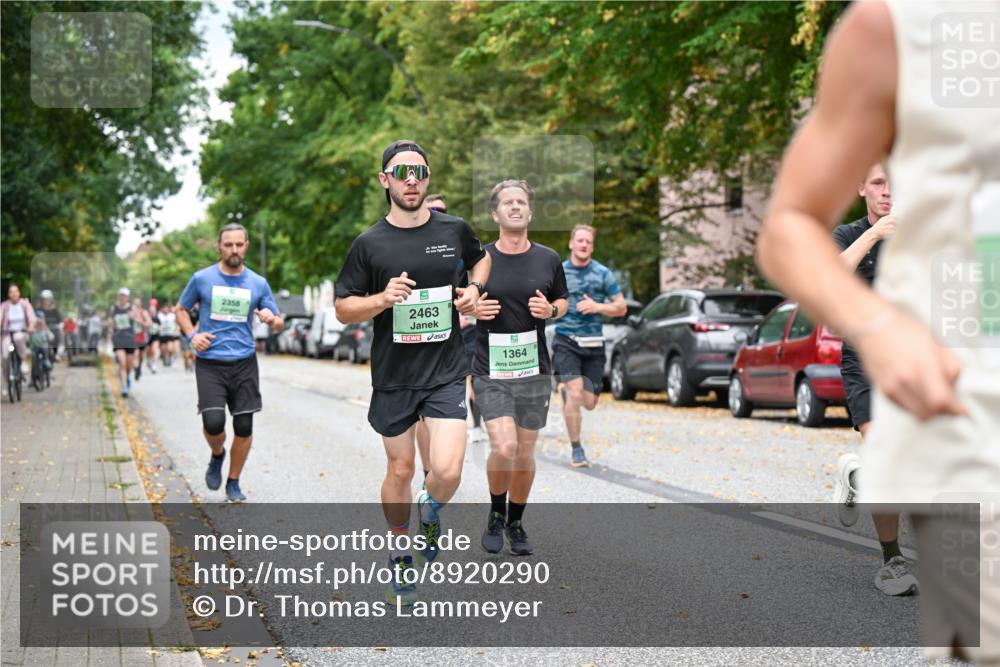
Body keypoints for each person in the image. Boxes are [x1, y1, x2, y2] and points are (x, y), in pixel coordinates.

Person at [757, 1, 998, 662]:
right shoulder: (889, 30)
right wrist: (879, 322)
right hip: (909, 367)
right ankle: (893, 543)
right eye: (880, 185)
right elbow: (788, 232)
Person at [335, 140, 490, 605]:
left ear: (427, 179)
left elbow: (481, 258)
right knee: (400, 468)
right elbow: (343, 308)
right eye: (401, 172)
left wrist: (474, 290)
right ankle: (400, 552)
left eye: (419, 172)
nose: (411, 180)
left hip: (444, 369)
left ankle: (430, 507)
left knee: (446, 470)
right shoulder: (369, 244)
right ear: (385, 180)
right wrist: (382, 299)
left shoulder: (454, 229)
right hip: (394, 376)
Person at [828, 164, 915, 595]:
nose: (888, 191)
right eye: (879, 183)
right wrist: (876, 233)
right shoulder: (848, 235)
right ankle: (891, 562)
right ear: (861, 187)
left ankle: (858, 476)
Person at [473, 180, 568, 556]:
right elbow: (457, 300)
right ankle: (496, 513)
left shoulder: (548, 258)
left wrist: (552, 311)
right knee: (505, 445)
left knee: (525, 453)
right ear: (495, 214)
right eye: (507, 203)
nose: (515, 207)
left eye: (521, 202)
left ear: (529, 212)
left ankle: (516, 522)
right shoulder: (479, 258)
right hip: (490, 368)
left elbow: (562, 300)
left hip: (533, 370)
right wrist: (471, 308)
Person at [177, 223, 284, 503]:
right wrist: (192, 334)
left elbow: (278, 320)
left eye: (239, 244)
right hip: (210, 362)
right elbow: (180, 310)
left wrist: (272, 320)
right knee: (214, 423)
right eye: (228, 245)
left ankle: (233, 481)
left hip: (244, 362)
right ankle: (217, 454)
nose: (234, 250)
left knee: (244, 427)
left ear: (246, 245)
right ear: (219, 247)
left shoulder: (258, 283)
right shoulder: (202, 279)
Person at [553, 224, 626, 467]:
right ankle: (577, 449)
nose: (584, 245)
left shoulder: (603, 274)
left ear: (592, 247)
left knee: (590, 403)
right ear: (571, 244)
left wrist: (598, 307)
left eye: (588, 242)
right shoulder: (559, 271)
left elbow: (621, 306)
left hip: (594, 345)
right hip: (567, 341)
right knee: (575, 394)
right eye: (580, 240)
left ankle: (566, 393)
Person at [1, 284, 36, 392]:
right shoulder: (4, 306)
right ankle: (7, 382)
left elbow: (32, 317)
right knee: (5, 357)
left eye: (15, 291)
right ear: (8, 294)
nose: (14, 294)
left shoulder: (25, 304)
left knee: (18, 338)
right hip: (7, 334)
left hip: (22, 332)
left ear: (19, 293)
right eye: (11, 292)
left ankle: (24, 359)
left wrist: (30, 326)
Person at [108, 288, 139, 397]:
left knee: (129, 365)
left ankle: (127, 376)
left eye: (124, 296)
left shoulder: (132, 308)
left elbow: (140, 321)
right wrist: (110, 328)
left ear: (127, 297)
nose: (122, 297)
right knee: (122, 362)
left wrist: (133, 317)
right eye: (121, 295)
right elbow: (110, 323)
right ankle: (124, 386)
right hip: (119, 338)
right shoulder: (114, 309)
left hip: (130, 338)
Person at [36, 289, 63, 363]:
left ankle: (56, 353)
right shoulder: (39, 309)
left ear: (51, 300)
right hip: (42, 330)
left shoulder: (55, 310)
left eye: (48, 299)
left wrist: (60, 325)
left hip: (53, 328)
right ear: (41, 300)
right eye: (44, 299)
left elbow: (60, 320)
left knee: (57, 334)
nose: (46, 301)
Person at [146, 298, 161, 373]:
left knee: (154, 350)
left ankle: (154, 365)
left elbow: (161, 326)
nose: (152, 311)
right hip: (148, 336)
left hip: (155, 336)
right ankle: (148, 360)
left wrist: (157, 327)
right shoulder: (146, 315)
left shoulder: (158, 316)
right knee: (149, 351)